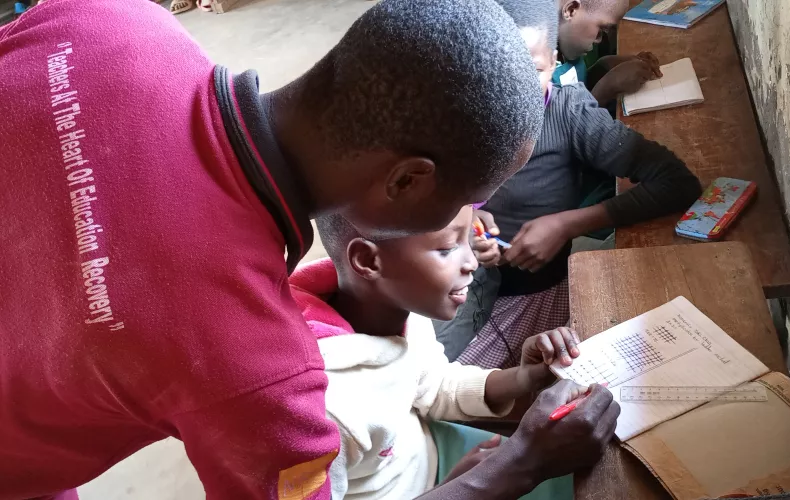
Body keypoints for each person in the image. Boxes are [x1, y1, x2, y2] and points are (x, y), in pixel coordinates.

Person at [0, 0, 557, 498]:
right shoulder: (260, 373)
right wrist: (517, 467)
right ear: (407, 181)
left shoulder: (106, 18)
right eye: (468, 203)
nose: (476, 236)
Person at [434, 0, 702, 369]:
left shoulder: (567, 112)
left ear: (554, 62)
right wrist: (466, 225)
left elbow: (677, 181)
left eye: (531, 69)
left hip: (531, 297)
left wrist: (566, 224)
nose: (510, 88)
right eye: (492, 69)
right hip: (460, 286)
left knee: (453, 382)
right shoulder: (454, 111)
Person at [294, 206, 610, 499]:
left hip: (433, 457)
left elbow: (434, 385)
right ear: (368, 261)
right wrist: (471, 487)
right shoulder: (323, 410)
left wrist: (522, 378)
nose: (472, 262)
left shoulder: (397, 307)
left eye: (468, 239)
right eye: (447, 248)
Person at [555, 0, 662, 108]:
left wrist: (602, 67)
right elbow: (570, 118)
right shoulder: (544, 72)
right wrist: (606, 90)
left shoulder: (569, 43)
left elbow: (576, 84)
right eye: (601, 28)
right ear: (571, 10)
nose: (599, 40)